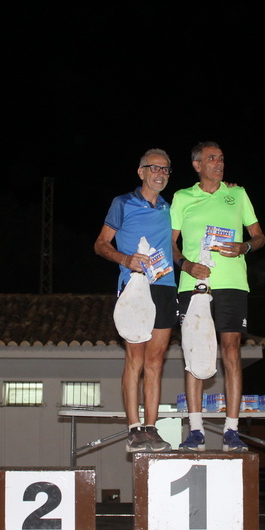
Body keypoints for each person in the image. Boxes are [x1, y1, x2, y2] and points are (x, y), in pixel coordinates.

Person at [171, 141, 265, 452]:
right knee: (195, 353)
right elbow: (170, 243)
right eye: (212, 158)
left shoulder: (237, 194)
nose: (219, 163)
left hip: (233, 284)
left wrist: (245, 246)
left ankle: (232, 430)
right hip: (193, 284)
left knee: (231, 351)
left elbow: (259, 236)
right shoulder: (182, 197)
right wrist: (186, 264)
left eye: (221, 158)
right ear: (197, 165)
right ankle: (195, 430)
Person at [94, 148, 177, 452]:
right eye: (154, 168)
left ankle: (151, 429)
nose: (160, 174)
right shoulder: (123, 203)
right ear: (141, 172)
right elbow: (100, 244)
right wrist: (125, 259)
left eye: (166, 169)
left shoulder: (170, 208)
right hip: (135, 286)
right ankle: (133, 428)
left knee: (156, 361)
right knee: (135, 359)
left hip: (165, 286)